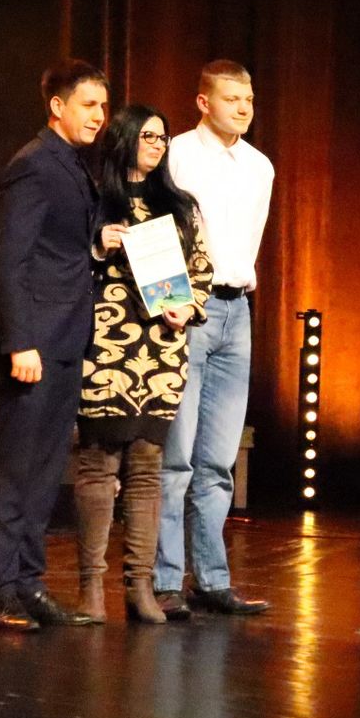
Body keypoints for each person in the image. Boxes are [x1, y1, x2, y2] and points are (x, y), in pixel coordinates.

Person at [0, 59, 107, 632]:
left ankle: (29, 582)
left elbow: (62, 248)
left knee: (46, 468)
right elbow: (12, 260)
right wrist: (20, 342)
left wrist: (99, 242)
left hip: (65, 339)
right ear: (57, 106)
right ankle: (0, 587)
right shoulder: (33, 164)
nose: (99, 116)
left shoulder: (72, 164)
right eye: (88, 105)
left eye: (103, 107)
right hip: (33, 344)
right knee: (16, 468)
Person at [75, 105, 213, 625]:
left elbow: (201, 270)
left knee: (148, 469)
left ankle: (139, 587)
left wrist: (189, 307)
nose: (158, 144)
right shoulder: (93, 198)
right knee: (98, 466)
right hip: (105, 348)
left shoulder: (179, 205)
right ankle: (91, 586)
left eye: (163, 137)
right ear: (125, 138)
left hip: (161, 349)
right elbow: (61, 264)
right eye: (149, 135)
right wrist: (97, 245)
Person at [154, 60, 273, 617]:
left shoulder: (259, 166)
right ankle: (164, 580)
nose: (243, 108)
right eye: (231, 99)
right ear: (204, 102)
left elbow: (249, 240)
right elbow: (153, 229)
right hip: (186, 311)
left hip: (236, 309)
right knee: (176, 457)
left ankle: (212, 578)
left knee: (219, 459)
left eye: (248, 99)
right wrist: (168, 300)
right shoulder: (176, 154)